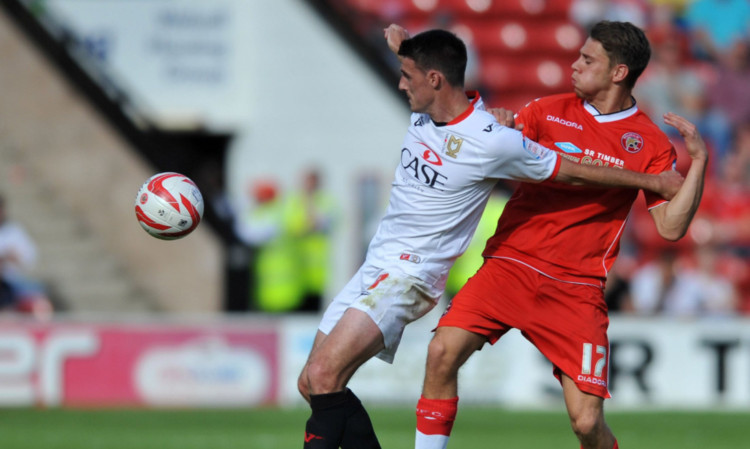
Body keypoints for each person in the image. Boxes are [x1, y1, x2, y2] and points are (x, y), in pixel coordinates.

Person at [297, 25, 684, 449]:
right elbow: (431, 69)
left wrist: (669, 173)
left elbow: (574, 173)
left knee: (587, 423)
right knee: (315, 383)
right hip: (458, 264)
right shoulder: (466, 110)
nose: (399, 83)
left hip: (470, 278)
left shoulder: (494, 142)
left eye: (588, 59)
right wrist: (402, 45)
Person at [0, 194, 53, 320]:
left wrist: (14, 258)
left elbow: (29, 258)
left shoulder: (14, 231)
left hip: (13, 281)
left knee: (40, 299)